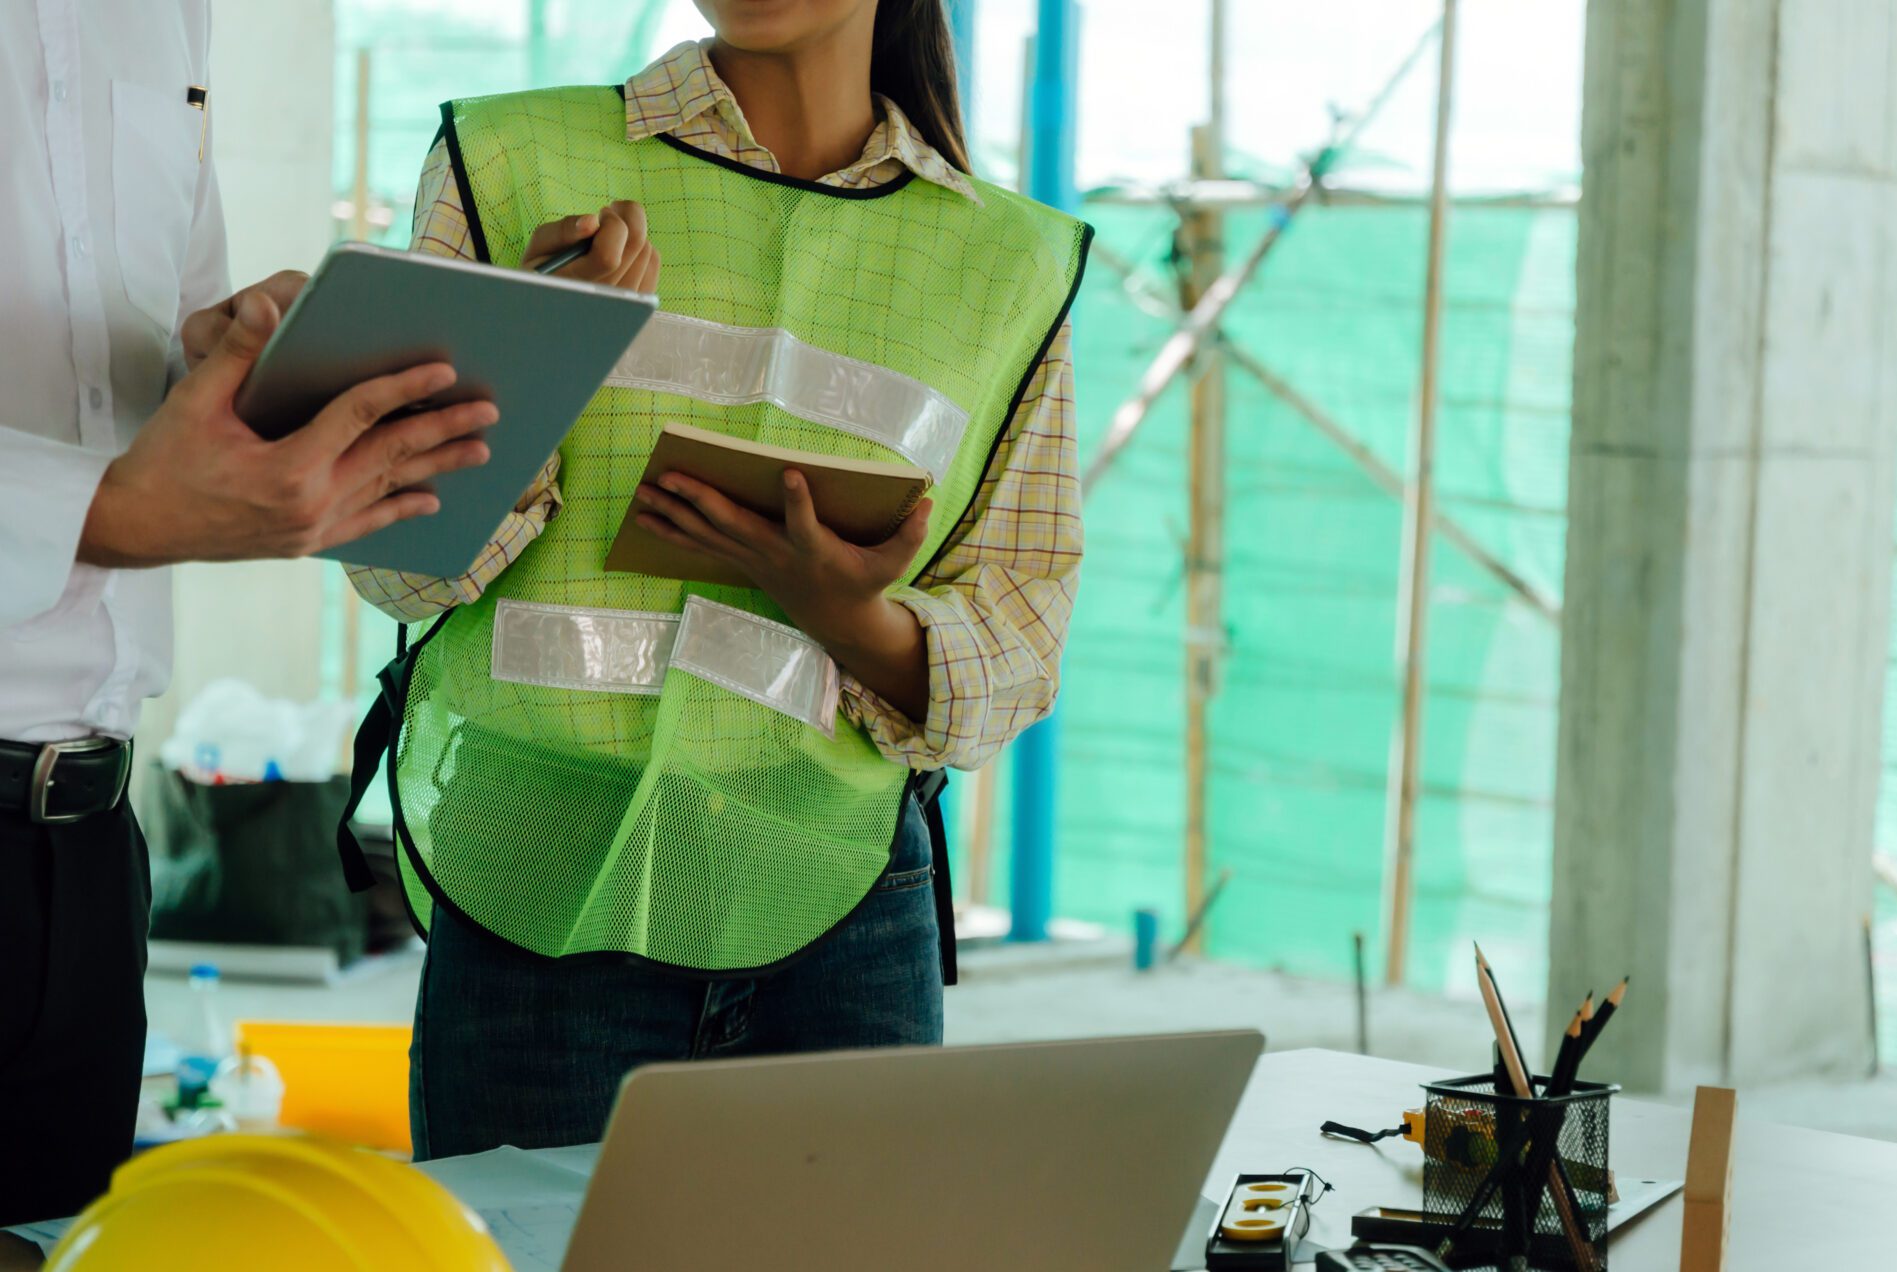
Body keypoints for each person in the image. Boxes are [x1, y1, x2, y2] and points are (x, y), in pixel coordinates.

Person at [342, 0, 1091, 1157]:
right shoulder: (509, 159)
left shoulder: (1012, 262)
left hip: (839, 908)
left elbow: (1017, 640)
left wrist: (851, 617)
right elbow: (396, 566)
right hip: (536, 880)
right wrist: (538, 357)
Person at [0, 2, 494, 1226]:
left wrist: (237, 364)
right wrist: (104, 509)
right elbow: (119, 490)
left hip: (85, 845)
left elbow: (155, 367)